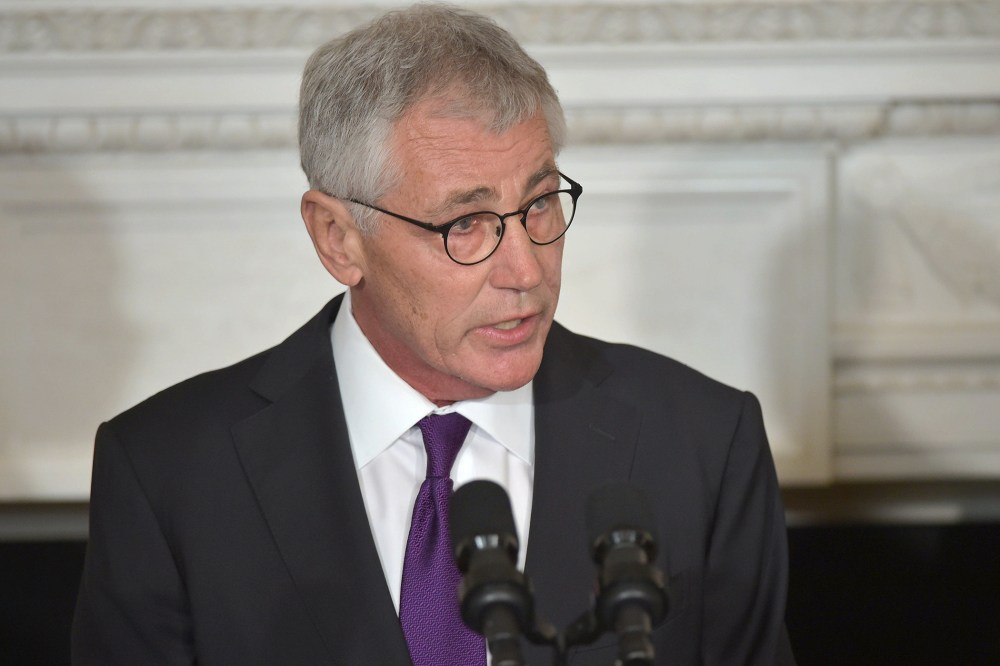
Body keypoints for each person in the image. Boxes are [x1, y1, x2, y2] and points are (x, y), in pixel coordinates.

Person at [72, 3, 795, 664]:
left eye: (540, 203)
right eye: (465, 224)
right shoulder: (170, 472)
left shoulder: (703, 442)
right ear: (338, 239)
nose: (526, 269)